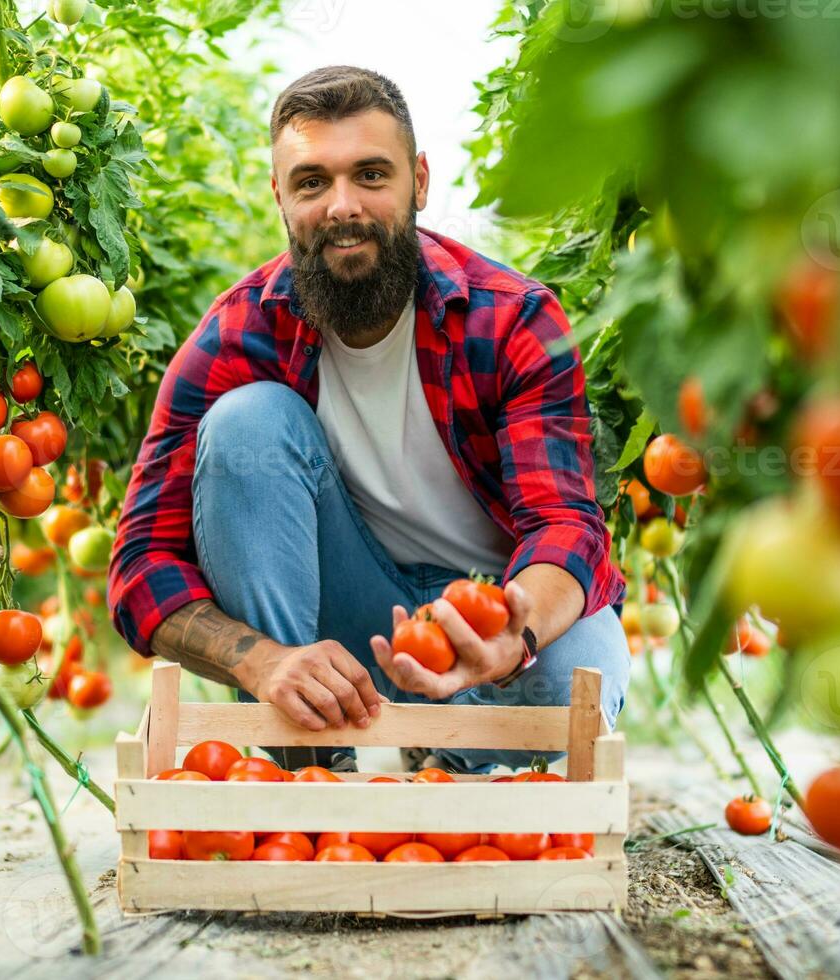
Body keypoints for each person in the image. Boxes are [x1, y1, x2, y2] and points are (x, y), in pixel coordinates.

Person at [107, 65, 628, 772]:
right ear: (280, 197)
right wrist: (261, 661)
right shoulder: (238, 335)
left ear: (419, 180)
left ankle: (449, 758)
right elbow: (142, 565)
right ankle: (312, 756)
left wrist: (509, 638)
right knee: (245, 422)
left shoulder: (511, 320)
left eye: (372, 175)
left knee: (572, 683)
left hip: (484, 612)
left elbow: (566, 526)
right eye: (312, 182)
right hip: (341, 623)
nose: (342, 206)